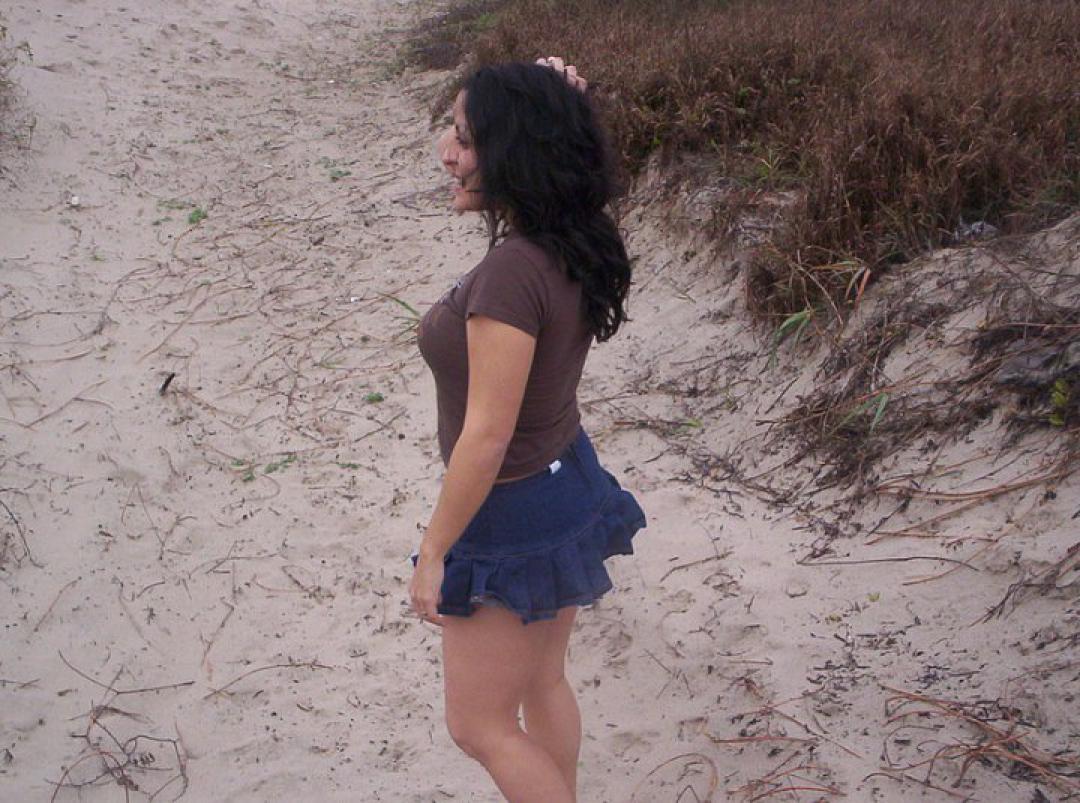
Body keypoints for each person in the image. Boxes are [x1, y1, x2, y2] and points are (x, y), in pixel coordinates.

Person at [409, 55, 646, 803]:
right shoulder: (572, 232)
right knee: (543, 679)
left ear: (515, 153)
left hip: (509, 509)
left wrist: (434, 552)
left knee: (478, 725)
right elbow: (554, 138)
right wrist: (554, 98)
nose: (447, 153)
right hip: (565, 478)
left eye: (465, 138)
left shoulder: (513, 273)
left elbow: (486, 437)